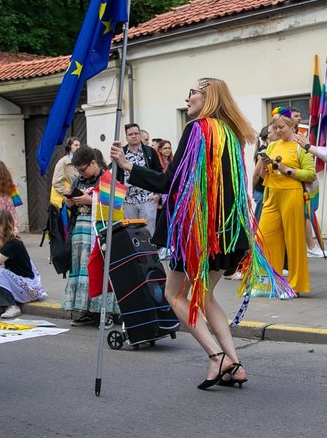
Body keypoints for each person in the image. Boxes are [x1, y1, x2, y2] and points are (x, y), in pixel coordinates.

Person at [111, 78, 287, 389]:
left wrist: (127, 166)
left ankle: (216, 356)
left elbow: (170, 182)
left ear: (208, 96)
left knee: (175, 295)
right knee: (204, 297)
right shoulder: (230, 134)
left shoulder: (197, 129)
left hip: (197, 234)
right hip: (227, 233)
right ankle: (235, 364)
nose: (187, 97)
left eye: (192, 92)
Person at [257, 109, 316, 296]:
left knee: (294, 241)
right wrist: (264, 166)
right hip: (272, 193)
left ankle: (295, 285)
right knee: (264, 237)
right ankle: (267, 283)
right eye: (275, 127)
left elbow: (310, 173)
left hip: (292, 194)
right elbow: (262, 173)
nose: (277, 130)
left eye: (280, 127)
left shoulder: (301, 145)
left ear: (291, 125)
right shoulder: (273, 145)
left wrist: (287, 170)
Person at [61, 146, 121, 326]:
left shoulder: (108, 177)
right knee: (81, 270)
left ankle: (105, 311)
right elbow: (71, 206)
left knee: (98, 270)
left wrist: (91, 200)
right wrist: (70, 202)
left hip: (99, 229)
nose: (81, 173)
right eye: (78, 170)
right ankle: (85, 310)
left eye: (83, 169)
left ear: (93, 162)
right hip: (80, 229)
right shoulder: (78, 180)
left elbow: (117, 204)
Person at [0, 209, 46, 319]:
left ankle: (11, 305)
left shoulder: (13, 243)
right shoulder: (2, 241)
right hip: (16, 280)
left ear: (0, 225)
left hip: (27, 285)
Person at [118, 123, 162, 236]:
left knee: (148, 232)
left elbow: (159, 172)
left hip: (147, 198)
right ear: (126, 136)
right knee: (131, 233)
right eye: (130, 134)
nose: (134, 136)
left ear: (140, 134)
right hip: (128, 200)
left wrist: (158, 194)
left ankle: (150, 254)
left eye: (136, 133)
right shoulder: (120, 153)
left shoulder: (149, 151)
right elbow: (116, 176)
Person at [50, 137, 82, 208]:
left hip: (78, 200)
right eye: (76, 145)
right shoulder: (63, 162)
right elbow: (56, 182)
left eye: (79, 145)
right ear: (69, 147)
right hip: (67, 202)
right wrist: (68, 194)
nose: (78, 147)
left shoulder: (80, 162)